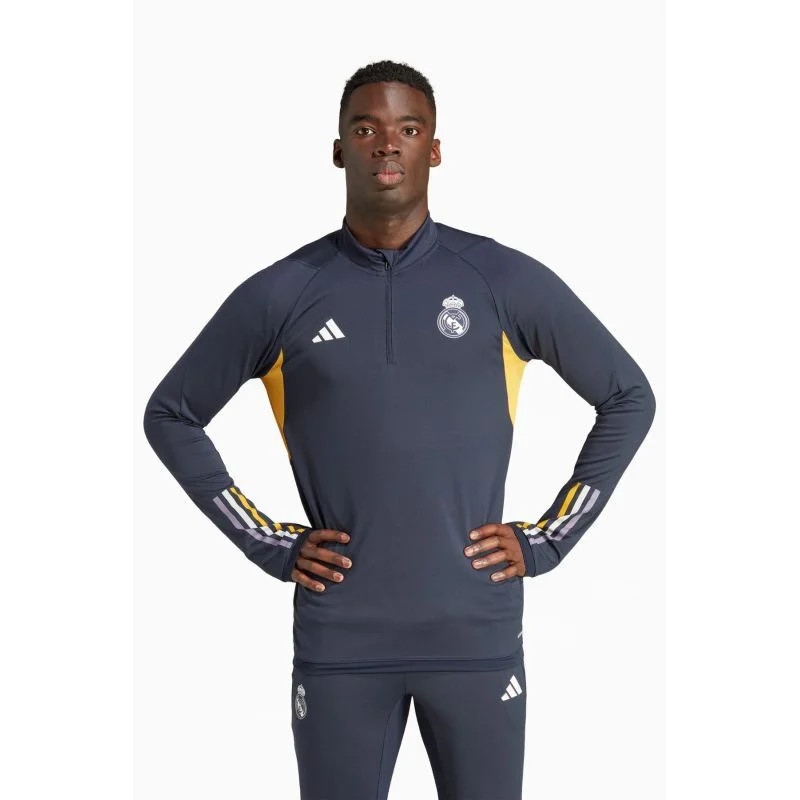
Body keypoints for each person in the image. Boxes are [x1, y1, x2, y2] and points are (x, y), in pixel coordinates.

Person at [143, 59, 656, 800]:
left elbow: (628, 395)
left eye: (408, 129)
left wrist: (549, 538)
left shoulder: (500, 280)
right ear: (338, 150)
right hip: (342, 643)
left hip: (475, 635)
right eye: (367, 129)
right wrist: (268, 541)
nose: (388, 143)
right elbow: (171, 414)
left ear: (434, 150)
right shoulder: (283, 293)